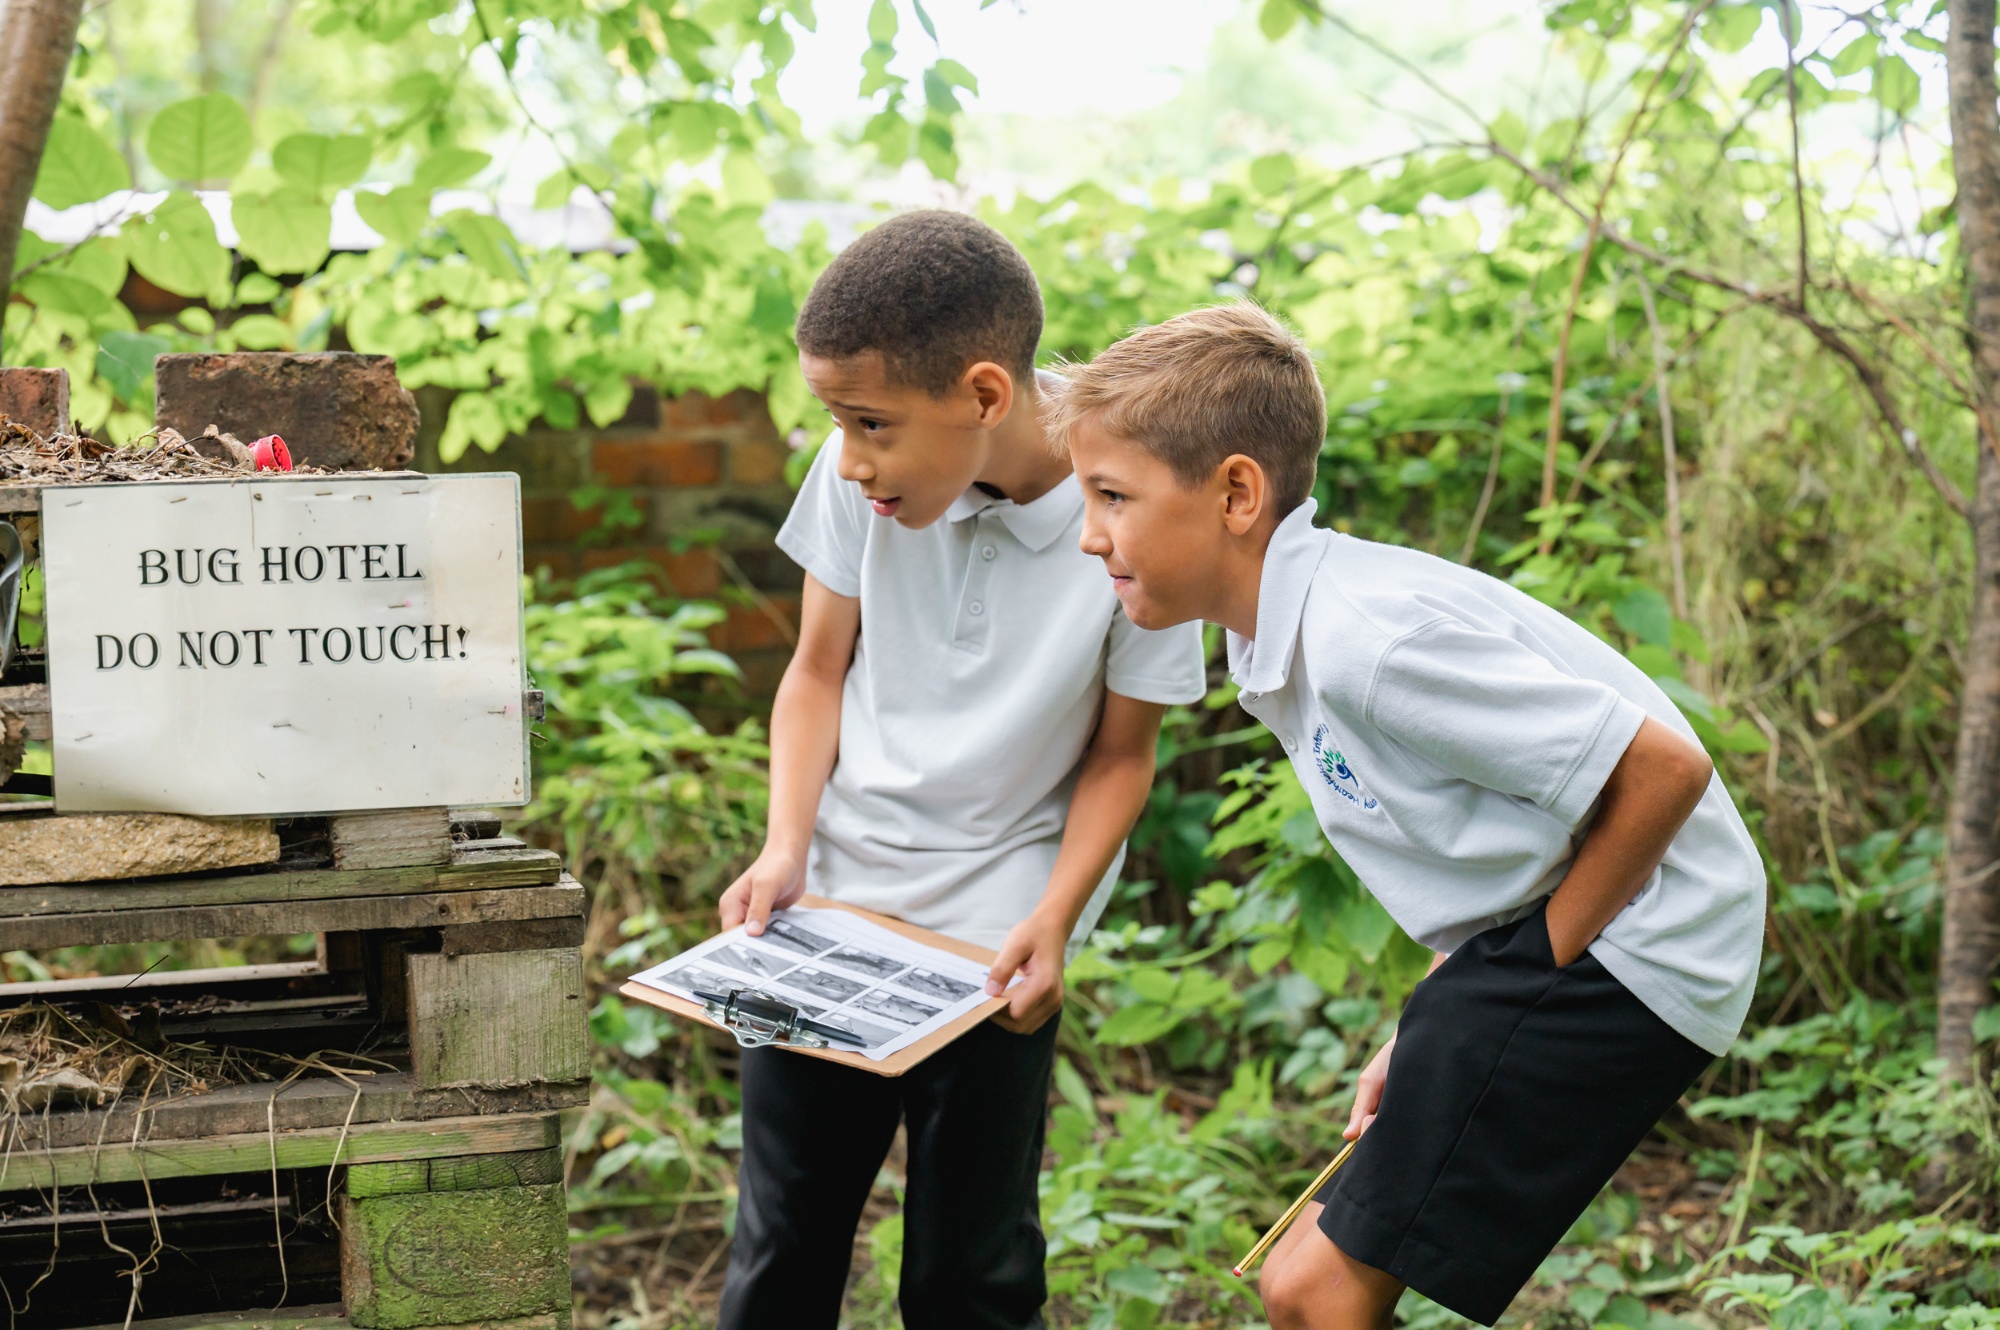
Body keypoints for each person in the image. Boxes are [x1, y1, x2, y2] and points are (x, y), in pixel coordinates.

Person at [1052, 303, 1763, 1330]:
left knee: (1318, 1293)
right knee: (1293, 1285)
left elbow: (1664, 769)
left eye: (1112, 495)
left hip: (1646, 946)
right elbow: (1495, 847)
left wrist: (1524, 973)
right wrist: (1436, 1016)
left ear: (1236, 493)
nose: (1089, 534)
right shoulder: (1288, 639)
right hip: (1561, 937)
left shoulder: (1364, 641)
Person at [714, 211, 1208, 1330]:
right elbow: (814, 672)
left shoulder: (1137, 512)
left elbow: (1122, 754)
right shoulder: (858, 480)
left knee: (967, 1275)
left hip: (993, 944)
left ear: (984, 395)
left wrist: (1053, 919)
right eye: (837, 422)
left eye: (871, 424)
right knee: (781, 1251)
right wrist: (785, 846)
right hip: (829, 908)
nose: (849, 457)